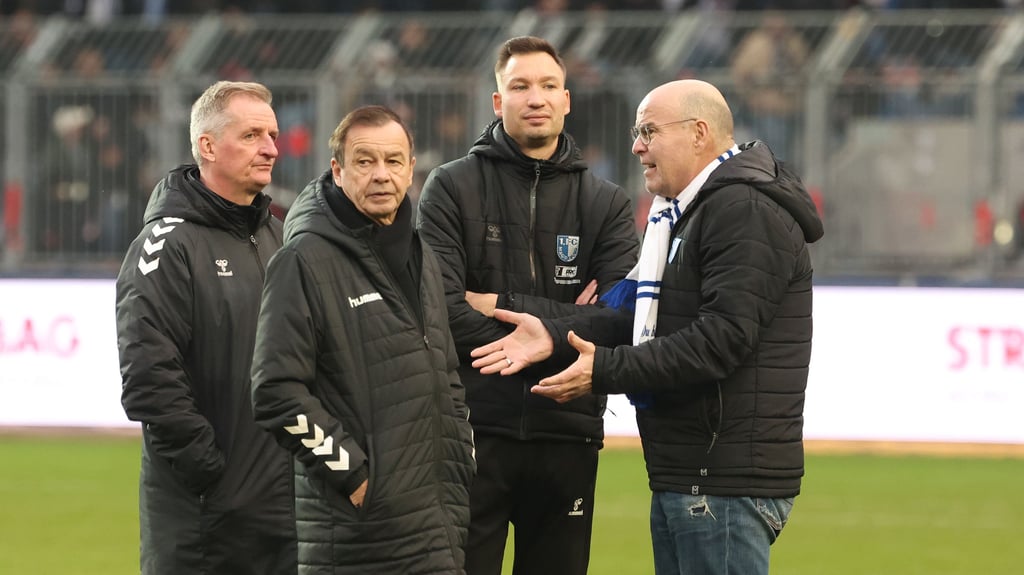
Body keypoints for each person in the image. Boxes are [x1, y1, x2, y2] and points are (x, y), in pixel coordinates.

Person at [470, 79, 824, 575]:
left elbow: (719, 342)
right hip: (694, 475)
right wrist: (551, 334)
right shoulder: (687, 212)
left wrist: (602, 371)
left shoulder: (743, 210)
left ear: (699, 133)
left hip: (721, 480)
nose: (637, 146)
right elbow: (635, 319)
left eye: (649, 131)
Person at [416, 36, 639, 575]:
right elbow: (441, 309)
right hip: (472, 431)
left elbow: (623, 321)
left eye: (547, 85)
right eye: (520, 86)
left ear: (567, 100)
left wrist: (510, 309)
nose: (535, 97)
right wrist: (566, 323)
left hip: (568, 431)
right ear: (498, 101)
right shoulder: (451, 187)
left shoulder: (607, 203)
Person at [249, 105, 476, 574]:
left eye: (393, 161)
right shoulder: (302, 260)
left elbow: (446, 371)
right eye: (365, 161)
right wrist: (354, 475)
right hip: (358, 534)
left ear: (411, 169)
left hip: (437, 520)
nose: (381, 175)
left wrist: (462, 453)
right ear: (338, 170)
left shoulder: (423, 256)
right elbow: (275, 391)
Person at [115, 81, 295, 574]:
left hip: (287, 519)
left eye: (273, 135)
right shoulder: (165, 244)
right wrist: (213, 476)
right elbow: (149, 376)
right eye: (252, 135)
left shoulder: (281, 236)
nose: (270, 148)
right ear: (208, 146)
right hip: (206, 523)